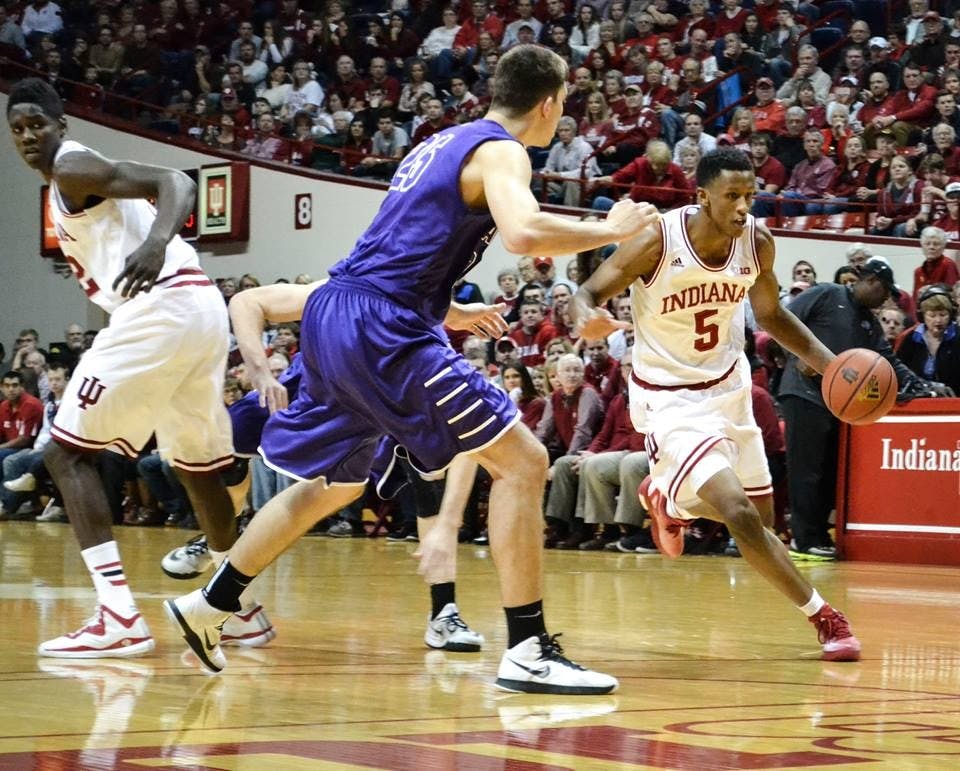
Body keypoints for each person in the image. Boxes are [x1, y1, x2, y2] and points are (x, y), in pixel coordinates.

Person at [165, 44, 658, 691]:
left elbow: (396, 249)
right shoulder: (502, 150)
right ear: (549, 104)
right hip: (382, 327)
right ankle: (528, 646)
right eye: (564, 102)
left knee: (335, 486)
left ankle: (212, 603)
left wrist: (447, 310)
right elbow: (524, 234)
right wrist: (609, 228)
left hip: (337, 312)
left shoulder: (439, 142)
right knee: (524, 461)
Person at [7, 78, 272, 657]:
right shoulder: (64, 182)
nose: (28, 137)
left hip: (163, 305)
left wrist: (155, 242)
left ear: (61, 127)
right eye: (18, 129)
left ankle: (118, 615)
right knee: (195, 464)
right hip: (197, 307)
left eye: (37, 125)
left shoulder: (73, 167)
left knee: (63, 453)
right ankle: (239, 610)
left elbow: (175, 180)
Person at [570, 148, 862, 662]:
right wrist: (585, 316)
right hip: (669, 400)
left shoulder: (758, 242)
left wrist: (828, 361)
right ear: (702, 196)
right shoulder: (657, 240)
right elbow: (586, 292)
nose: (742, 207)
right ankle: (826, 618)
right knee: (738, 514)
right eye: (731, 196)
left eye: (750, 196)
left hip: (729, 389)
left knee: (762, 523)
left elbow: (770, 314)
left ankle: (669, 501)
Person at [779, 258, 953, 561]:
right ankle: (803, 541)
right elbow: (780, 320)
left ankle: (818, 536)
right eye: (884, 292)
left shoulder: (868, 323)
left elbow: (889, 361)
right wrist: (796, 356)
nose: (884, 300)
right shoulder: (827, 293)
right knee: (806, 471)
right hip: (803, 394)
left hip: (837, 403)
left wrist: (926, 386)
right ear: (871, 280)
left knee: (827, 471)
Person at [896, 285, 960, 392]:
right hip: (917, 400)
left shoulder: (958, 336)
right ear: (922, 316)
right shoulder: (910, 339)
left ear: (951, 315)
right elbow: (898, 372)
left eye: (943, 315)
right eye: (932, 315)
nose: (938, 320)